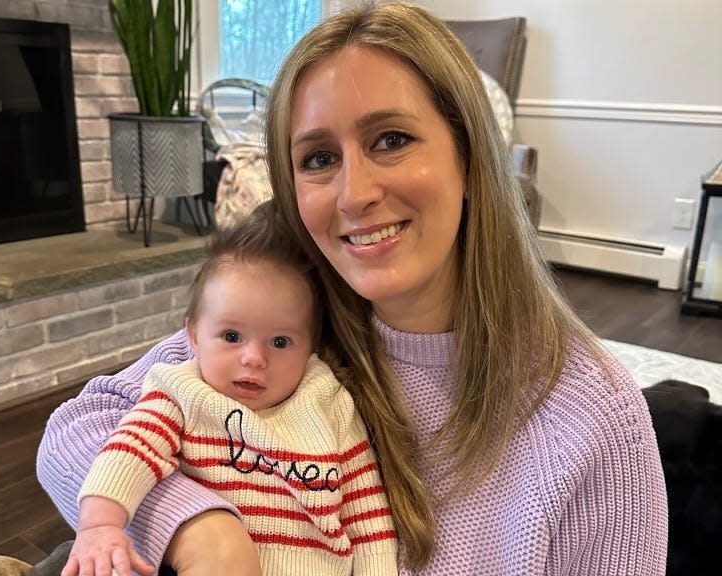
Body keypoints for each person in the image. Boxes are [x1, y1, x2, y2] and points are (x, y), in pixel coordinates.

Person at [38, 2, 668, 574]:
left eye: (391, 140)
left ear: (470, 159)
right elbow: (73, 431)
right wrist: (203, 529)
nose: (355, 194)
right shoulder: (287, 323)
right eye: (318, 158)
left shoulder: (592, 420)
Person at [59, 203, 398, 576]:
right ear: (193, 337)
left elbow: (367, 515)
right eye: (232, 336)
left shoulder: (327, 402)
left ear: (311, 347)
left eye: (281, 342)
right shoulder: (182, 390)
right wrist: (100, 524)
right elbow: (130, 450)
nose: (253, 358)